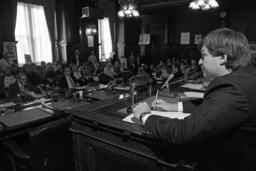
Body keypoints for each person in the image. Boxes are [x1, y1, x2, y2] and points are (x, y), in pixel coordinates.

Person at [133, 28, 256, 171]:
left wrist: (145, 115)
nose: (199, 61)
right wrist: (174, 107)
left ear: (223, 58)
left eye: (204, 56)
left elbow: (185, 132)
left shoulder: (232, 88)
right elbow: (214, 107)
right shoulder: (245, 74)